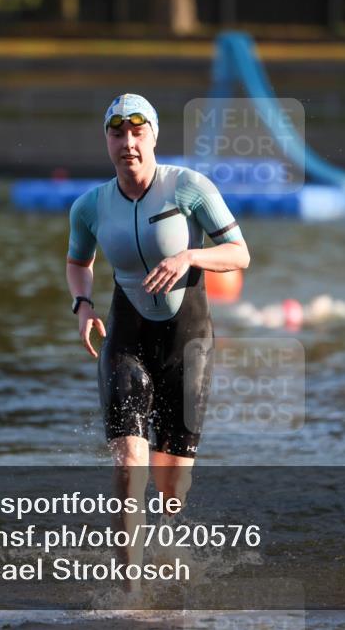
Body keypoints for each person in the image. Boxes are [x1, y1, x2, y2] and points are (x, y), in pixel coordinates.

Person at [65, 93, 250, 591]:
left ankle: (165, 551)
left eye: (137, 132)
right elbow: (78, 263)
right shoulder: (89, 206)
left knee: (171, 489)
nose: (128, 143)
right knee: (129, 464)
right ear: (107, 140)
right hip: (126, 338)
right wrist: (82, 306)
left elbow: (240, 253)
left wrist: (189, 257)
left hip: (187, 344)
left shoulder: (189, 187)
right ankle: (131, 591)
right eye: (117, 134)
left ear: (153, 136)